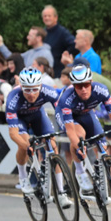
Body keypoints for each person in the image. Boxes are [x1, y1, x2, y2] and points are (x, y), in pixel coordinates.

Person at [54, 65, 111, 199]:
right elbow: (71, 131)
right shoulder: (66, 98)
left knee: (103, 149)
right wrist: (78, 145)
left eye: (86, 85)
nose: (83, 89)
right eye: (79, 86)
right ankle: (80, 172)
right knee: (79, 136)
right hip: (67, 116)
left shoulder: (101, 90)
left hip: (86, 113)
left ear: (91, 82)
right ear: (73, 86)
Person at [5, 67, 71, 203]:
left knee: (53, 146)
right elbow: (13, 134)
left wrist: (65, 127)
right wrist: (26, 146)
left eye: (35, 89)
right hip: (20, 119)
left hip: (37, 116)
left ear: (40, 86)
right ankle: (23, 177)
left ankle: (61, 192)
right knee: (24, 145)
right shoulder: (13, 98)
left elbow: (59, 110)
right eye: (27, 89)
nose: (31, 94)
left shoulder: (48, 91)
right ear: (21, 87)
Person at [41, 5, 76, 78]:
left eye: (49, 16)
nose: (47, 18)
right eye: (45, 16)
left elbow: (74, 45)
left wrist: (63, 56)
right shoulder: (42, 33)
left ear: (55, 17)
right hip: (45, 74)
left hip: (58, 74)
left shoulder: (62, 32)